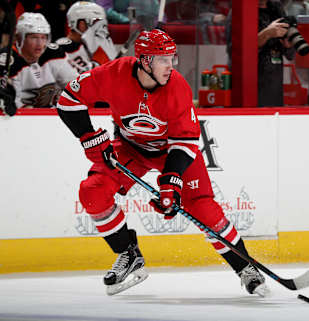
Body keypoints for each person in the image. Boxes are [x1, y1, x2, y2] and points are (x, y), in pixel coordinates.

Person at [56, 29, 269, 296]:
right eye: (163, 60)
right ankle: (129, 255)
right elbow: (68, 100)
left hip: (173, 150)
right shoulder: (113, 74)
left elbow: (186, 141)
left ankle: (245, 266)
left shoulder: (177, 87)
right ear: (145, 61)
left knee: (203, 209)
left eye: (172, 58)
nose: (171, 66)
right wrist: (88, 136)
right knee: (92, 191)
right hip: (130, 148)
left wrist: (171, 180)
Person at [0, 12, 78, 109]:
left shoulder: (53, 53)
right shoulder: (8, 60)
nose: (40, 44)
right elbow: (10, 104)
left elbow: (75, 86)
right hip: (22, 118)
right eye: (34, 37)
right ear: (19, 38)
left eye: (43, 37)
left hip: (52, 115)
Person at [56, 1, 117, 74]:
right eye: (95, 23)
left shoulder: (89, 44)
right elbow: (90, 79)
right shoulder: (64, 49)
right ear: (81, 25)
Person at [257, 0, 295, 106]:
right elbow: (237, 52)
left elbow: (290, 54)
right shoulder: (240, 11)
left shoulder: (276, 8)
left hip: (274, 86)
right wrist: (267, 33)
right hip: (249, 88)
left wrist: (288, 44)